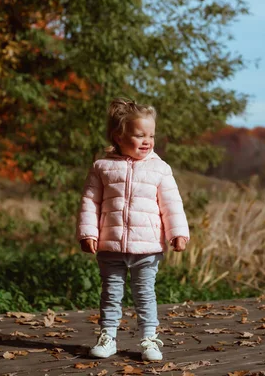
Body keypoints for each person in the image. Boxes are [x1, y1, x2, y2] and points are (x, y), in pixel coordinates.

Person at [76, 98, 189, 361]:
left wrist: (178, 233)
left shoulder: (160, 169)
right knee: (111, 294)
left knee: (145, 294)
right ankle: (108, 336)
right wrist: (87, 233)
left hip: (147, 247)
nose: (147, 140)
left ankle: (149, 338)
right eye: (139, 135)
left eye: (151, 135)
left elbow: (172, 204)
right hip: (110, 244)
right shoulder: (102, 167)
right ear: (119, 136)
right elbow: (89, 202)